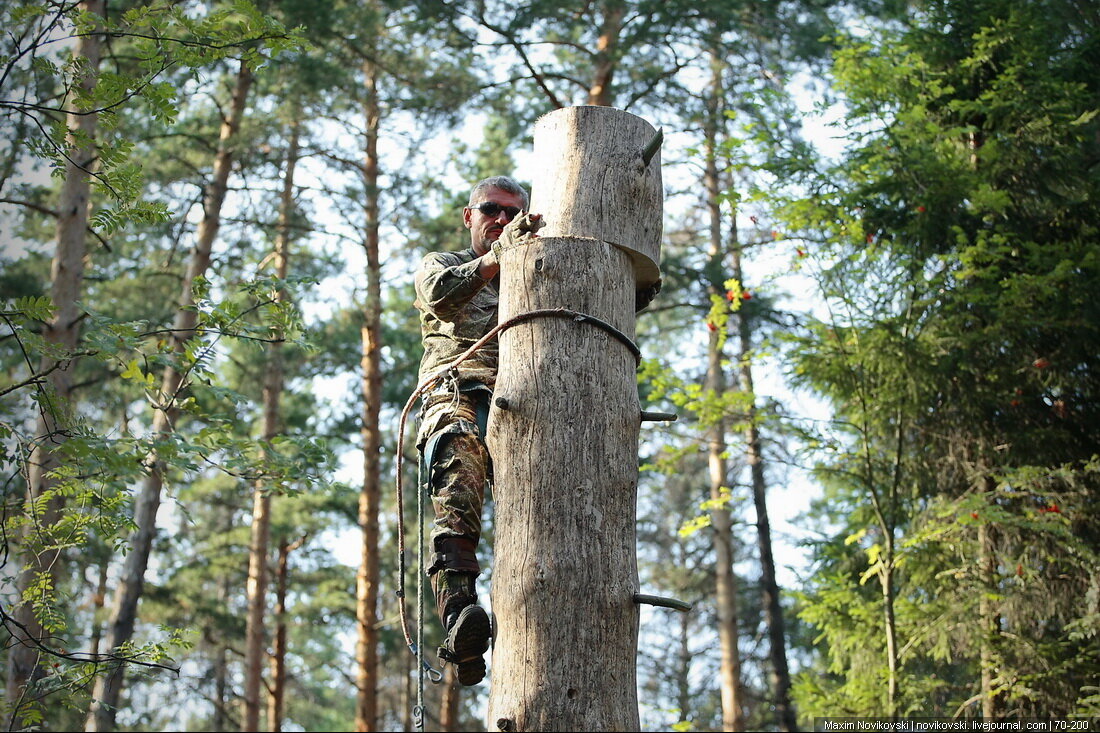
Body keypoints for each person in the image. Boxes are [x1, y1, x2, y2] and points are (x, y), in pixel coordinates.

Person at [412, 176, 543, 686]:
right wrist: (498, 257)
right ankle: (460, 615)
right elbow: (441, 298)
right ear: (470, 216)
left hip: (527, 404)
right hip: (457, 390)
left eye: (512, 213)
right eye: (491, 209)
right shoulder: (442, 265)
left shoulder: (532, 276)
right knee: (460, 457)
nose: (502, 221)